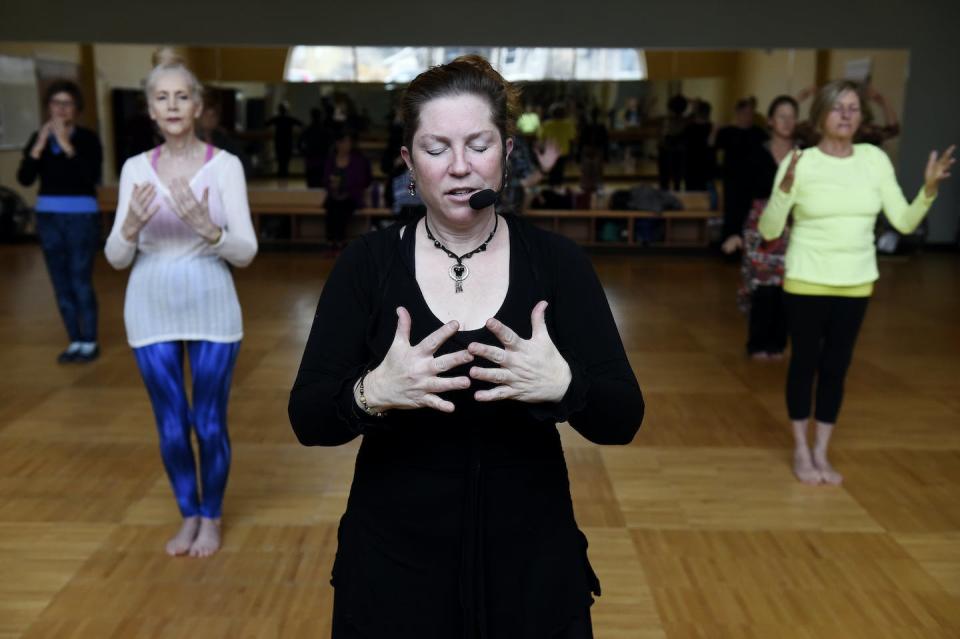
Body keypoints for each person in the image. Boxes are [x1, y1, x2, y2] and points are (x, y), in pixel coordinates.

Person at [288, 55, 644, 638]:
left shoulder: (558, 265)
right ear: (408, 162)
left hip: (531, 565)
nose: (459, 168)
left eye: (478, 145)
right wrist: (370, 392)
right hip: (393, 567)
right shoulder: (366, 265)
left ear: (507, 152)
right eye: (436, 148)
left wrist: (567, 386)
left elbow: (623, 418)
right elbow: (307, 417)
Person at [759, 80, 954, 486]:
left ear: (862, 118)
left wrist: (929, 190)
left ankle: (821, 451)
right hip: (806, 280)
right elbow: (769, 230)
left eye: (853, 108)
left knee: (836, 368)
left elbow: (902, 221)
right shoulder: (801, 161)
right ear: (820, 117)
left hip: (856, 283)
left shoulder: (873, 160)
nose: (846, 114)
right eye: (837, 107)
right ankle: (799, 447)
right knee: (804, 365)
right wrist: (784, 190)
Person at [104, 50, 258, 557]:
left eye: (182, 96)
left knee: (208, 421)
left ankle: (212, 517)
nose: (172, 105)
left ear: (197, 106)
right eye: (161, 97)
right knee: (171, 423)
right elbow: (116, 258)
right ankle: (187, 515)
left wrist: (207, 229)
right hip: (149, 307)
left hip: (213, 304)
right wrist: (128, 228)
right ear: (150, 109)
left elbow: (246, 251)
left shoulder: (226, 167)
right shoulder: (133, 170)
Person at [17, 80, 104, 364]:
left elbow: (89, 176)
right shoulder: (38, 138)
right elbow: (25, 178)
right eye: (55, 103)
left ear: (76, 109)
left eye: (67, 104)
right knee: (60, 281)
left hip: (81, 216)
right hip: (48, 217)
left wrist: (67, 145)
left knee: (80, 279)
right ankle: (74, 340)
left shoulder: (88, 139)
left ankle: (90, 340)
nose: (61, 109)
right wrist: (39, 146)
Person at [737, 95, 798, 360]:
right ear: (771, 121)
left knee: (785, 285)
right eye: (782, 115)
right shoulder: (755, 151)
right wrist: (733, 232)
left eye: (792, 115)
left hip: (793, 225)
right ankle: (757, 342)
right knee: (761, 285)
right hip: (760, 224)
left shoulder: (803, 155)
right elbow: (740, 193)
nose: (787, 121)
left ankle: (778, 343)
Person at [716, 98, 770, 254]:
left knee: (751, 216)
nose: (748, 116)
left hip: (754, 183)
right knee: (733, 215)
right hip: (733, 182)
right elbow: (716, 152)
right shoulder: (727, 132)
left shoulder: (759, 133)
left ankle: (750, 248)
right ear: (738, 113)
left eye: (751, 113)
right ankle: (730, 249)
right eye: (745, 113)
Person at [322, 128, 372, 249]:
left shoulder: (357, 160)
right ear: (337, 144)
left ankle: (340, 240)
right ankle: (331, 240)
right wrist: (332, 185)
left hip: (352, 196)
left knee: (342, 207)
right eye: (344, 142)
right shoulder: (331, 160)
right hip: (334, 196)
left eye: (348, 142)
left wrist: (345, 186)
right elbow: (325, 180)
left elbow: (363, 180)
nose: (347, 145)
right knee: (331, 206)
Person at [265, 102, 302, 178]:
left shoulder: (278, 119)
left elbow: (266, 123)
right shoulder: (289, 119)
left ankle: (281, 173)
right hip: (287, 142)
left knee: (281, 159)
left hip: (279, 142)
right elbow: (301, 123)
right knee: (285, 159)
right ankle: (284, 173)